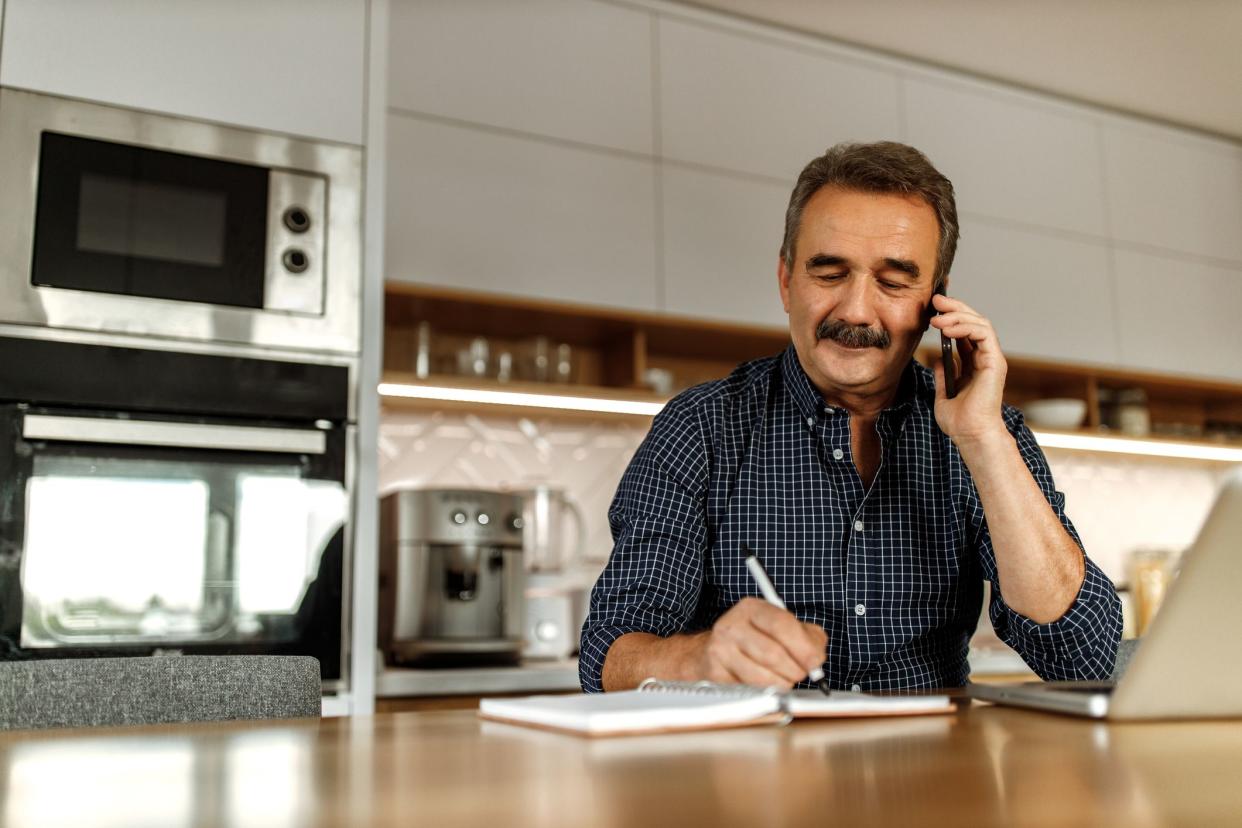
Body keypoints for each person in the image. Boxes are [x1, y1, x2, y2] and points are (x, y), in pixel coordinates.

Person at [579, 141, 1121, 693]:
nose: (857, 311)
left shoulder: (989, 435)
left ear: (938, 303)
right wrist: (701, 660)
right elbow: (608, 657)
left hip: (937, 773)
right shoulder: (698, 428)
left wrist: (983, 438)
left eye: (893, 281)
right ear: (787, 281)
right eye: (830, 273)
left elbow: (1084, 658)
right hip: (754, 771)